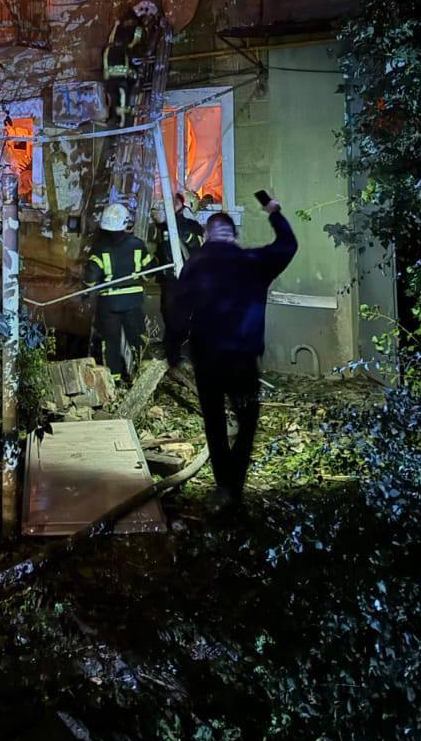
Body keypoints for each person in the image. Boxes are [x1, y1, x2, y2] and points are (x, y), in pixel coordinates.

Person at [166, 197, 297, 510]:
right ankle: (234, 484)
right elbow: (288, 245)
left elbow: (178, 310)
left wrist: (172, 347)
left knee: (214, 422)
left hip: (207, 358)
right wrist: (274, 212)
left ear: (206, 236)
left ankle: (223, 485)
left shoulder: (195, 265)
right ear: (235, 236)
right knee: (247, 420)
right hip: (243, 358)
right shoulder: (253, 262)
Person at [84, 202, 153, 380]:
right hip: (133, 301)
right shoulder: (138, 245)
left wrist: (87, 289)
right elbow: (148, 273)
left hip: (109, 303)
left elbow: (91, 278)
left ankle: (113, 382)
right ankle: (143, 378)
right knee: (138, 340)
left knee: (111, 343)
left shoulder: (99, 248)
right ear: (126, 222)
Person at [102, 0, 162, 126]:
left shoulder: (121, 21)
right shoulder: (137, 27)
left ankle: (115, 119)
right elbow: (138, 47)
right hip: (122, 59)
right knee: (123, 93)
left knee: (113, 92)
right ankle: (122, 122)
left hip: (109, 57)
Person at [151, 192, 204, 328]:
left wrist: (182, 227)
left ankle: (185, 336)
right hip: (169, 277)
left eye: (176, 203)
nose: (172, 206)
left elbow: (198, 248)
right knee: (168, 311)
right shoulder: (164, 226)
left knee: (186, 312)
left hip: (187, 277)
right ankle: (173, 337)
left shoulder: (193, 226)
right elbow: (161, 249)